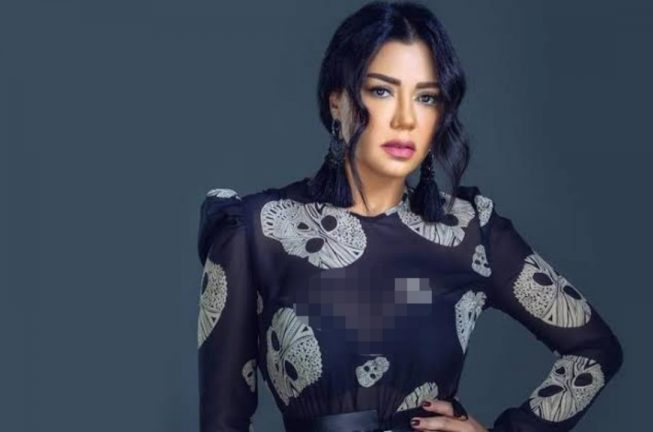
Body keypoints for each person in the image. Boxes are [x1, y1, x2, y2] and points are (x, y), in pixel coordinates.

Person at [195, 1, 624, 431]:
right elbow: (222, 420)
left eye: (426, 97)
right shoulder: (255, 231)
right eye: (381, 91)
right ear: (337, 101)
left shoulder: (469, 231)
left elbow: (594, 349)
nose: (405, 119)